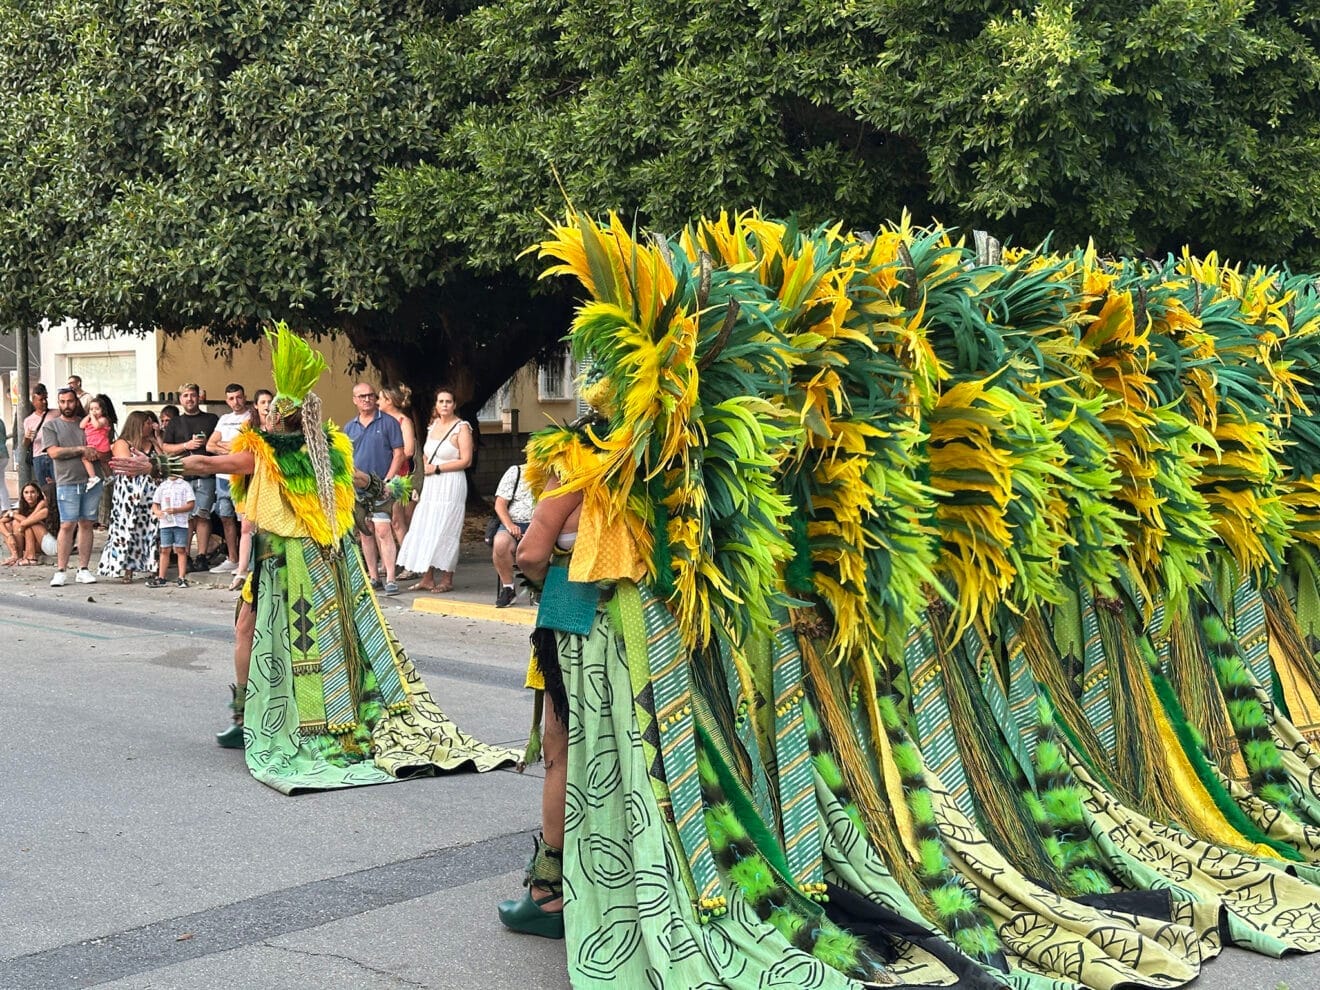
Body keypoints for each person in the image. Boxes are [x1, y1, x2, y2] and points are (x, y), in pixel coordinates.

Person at [113, 324, 518, 788]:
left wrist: (154, 464)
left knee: (251, 628)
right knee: (338, 636)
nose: (264, 419)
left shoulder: (266, 452)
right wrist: (396, 488)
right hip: (331, 559)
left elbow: (209, 463)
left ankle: (248, 716)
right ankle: (315, 714)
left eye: (269, 414)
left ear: (279, 420)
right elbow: (367, 482)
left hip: (284, 560)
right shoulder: (329, 450)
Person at [397, 388, 471, 593]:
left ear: (454, 405)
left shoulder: (462, 428)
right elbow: (426, 454)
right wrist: (425, 468)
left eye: (448, 401)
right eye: (441, 401)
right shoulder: (433, 426)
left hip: (450, 482)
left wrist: (437, 468)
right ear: (436, 405)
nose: (445, 405)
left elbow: (466, 460)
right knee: (425, 525)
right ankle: (427, 577)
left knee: (447, 527)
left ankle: (447, 578)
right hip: (431, 483)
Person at [344, 381, 404, 595]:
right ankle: (373, 577)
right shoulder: (349, 428)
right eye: (362, 396)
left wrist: (388, 481)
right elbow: (345, 459)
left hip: (382, 487)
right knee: (365, 532)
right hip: (357, 488)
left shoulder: (389, 423)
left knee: (383, 530)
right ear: (354, 400)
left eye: (370, 395)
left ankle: (390, 577)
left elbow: (399, 453)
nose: (367, 399)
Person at [42, 386, 99, 587]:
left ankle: (83, 569)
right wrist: (81, 449)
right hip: (66, 481)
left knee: (87, 523)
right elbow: (54, 452)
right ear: (58, 403)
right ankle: (61, 570)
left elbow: (99, 442)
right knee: (67, 524)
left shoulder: (85, 424)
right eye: (63, 401)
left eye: (71, 401)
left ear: (77, 402)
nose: (67, 405)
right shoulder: (52, 426)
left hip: (91, 481)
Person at [97, 411, 162, 584]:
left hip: (150, 493)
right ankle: (127, 569)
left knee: (150, 530)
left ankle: (152, 566)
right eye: (148, 423)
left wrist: (158, 438)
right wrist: (149, 464)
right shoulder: (122, 443)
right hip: (128, 494)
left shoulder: (152, 442)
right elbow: (127, 464)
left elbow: (164, 460)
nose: (151, 425)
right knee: (128, 530)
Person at [159, 383, 218, 570]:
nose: (189, 399)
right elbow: (166, 448)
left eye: (192, 395)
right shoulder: (175, 422)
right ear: (180, 399)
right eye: (185, 396)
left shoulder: (211, 419)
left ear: (199, 397)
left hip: (206, 474)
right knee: (185, 517)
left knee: (202, 515)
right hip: (183, 477)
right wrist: (186, 445)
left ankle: (201, 555)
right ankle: (185, 556)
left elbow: (218, 440)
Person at [229, 389, 273, 589]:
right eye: (263, 402)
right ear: (255, 405)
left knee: (269, 528)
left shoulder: (279, 427)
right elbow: (237, 451)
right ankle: (242, 571)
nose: (267, 405)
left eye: (269, 401)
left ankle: (265, 568)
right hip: (251, 481)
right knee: (246, 527)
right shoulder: (249, 427)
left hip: (271, 483)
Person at [206, 383, 250, 574]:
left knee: (245, 520)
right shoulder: (224, 419)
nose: (236, 401)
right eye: (231, 398)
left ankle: (245, 561)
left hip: (240, 476)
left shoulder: (250, 417)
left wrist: (224, 447)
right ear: (227, 400)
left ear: (245, 397)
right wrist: (229, 447)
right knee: (225, 516)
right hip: (222, 476)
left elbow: (242, 447)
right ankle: (232, 558)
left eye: (239, 397)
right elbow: (209, 445)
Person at [490, 462, 535, 607]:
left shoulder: (554, 473)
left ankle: (540, 587)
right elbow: (500, 503)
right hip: (515, 523)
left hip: (541, 525)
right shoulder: (516, 471)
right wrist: (510, 525)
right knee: (501, 542)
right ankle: (508, 588)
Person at [377, 385, 416, 548]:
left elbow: (408, 451)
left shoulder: (403, 421)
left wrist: (390, 458)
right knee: (383, 520)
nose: (377, 402)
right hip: (381, 474)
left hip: (400, 476)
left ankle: (408, 560)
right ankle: (390, 562)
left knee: (398, 520)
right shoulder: (378, 421)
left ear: (389, 400)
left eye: (380, 398)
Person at [148, 466, 194, 588]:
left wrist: (176, 510)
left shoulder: (185, 485)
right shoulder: (163, 486)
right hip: (166, 523)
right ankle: (161, 577)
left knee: (181, 550)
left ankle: (181, 577)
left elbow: (191, 504)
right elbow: (155, 504)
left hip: (180, 523)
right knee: (164, 549)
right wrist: (157, 512)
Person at [0, 483, 52, 565]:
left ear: (38, 494)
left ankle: (24, 556)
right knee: (8, 525)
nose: (29, 495)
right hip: (25, 541)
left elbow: (27, 521)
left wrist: (13, 514)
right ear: (23, 495)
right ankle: (15, 555)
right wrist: (9, 536)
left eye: (32, 492)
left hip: (40, 543)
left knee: (19, 522)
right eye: (26, 493)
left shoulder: (42, 505)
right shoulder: (21, 508)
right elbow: (1, 522)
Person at [79, 394, 115, 490]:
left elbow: (97, 426)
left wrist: (93, 417)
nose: (94, 411)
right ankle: (109, 476)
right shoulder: (90, 420)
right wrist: (88, 416)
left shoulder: (103, 419)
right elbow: (81, 425)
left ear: (102, 410)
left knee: (84, 458)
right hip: (95, 446)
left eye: (96, 409)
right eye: (91, 409)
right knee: (103, 462)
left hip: (100, 446)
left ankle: (93, 477)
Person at [23, 384, 53, 494]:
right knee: (44, 489)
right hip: (38, 457)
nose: (44, 402)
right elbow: (26, 444)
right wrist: (27, 437)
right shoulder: (28, 420)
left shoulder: (55, 413)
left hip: (53, 455)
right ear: (34, 401)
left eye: (46, 398)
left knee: (57, 486)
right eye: (41, 399)